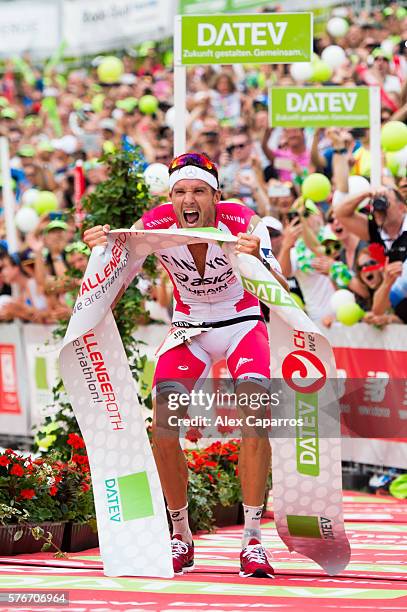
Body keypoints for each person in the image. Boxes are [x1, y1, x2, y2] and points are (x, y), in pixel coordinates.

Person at [84, 152, 288, 578]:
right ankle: (180, 535)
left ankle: (252, 540)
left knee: (255, 419)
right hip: (188, 328)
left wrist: (258, 258)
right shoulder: (154, 224)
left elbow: (281, 287)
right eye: (180, 192)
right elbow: (116, 279)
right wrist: (100, 251)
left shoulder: (242, 220)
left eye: (198, 191)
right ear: (170, 196)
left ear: (216, 195)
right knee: (163, 427)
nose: (188, 200)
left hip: (241, 323)